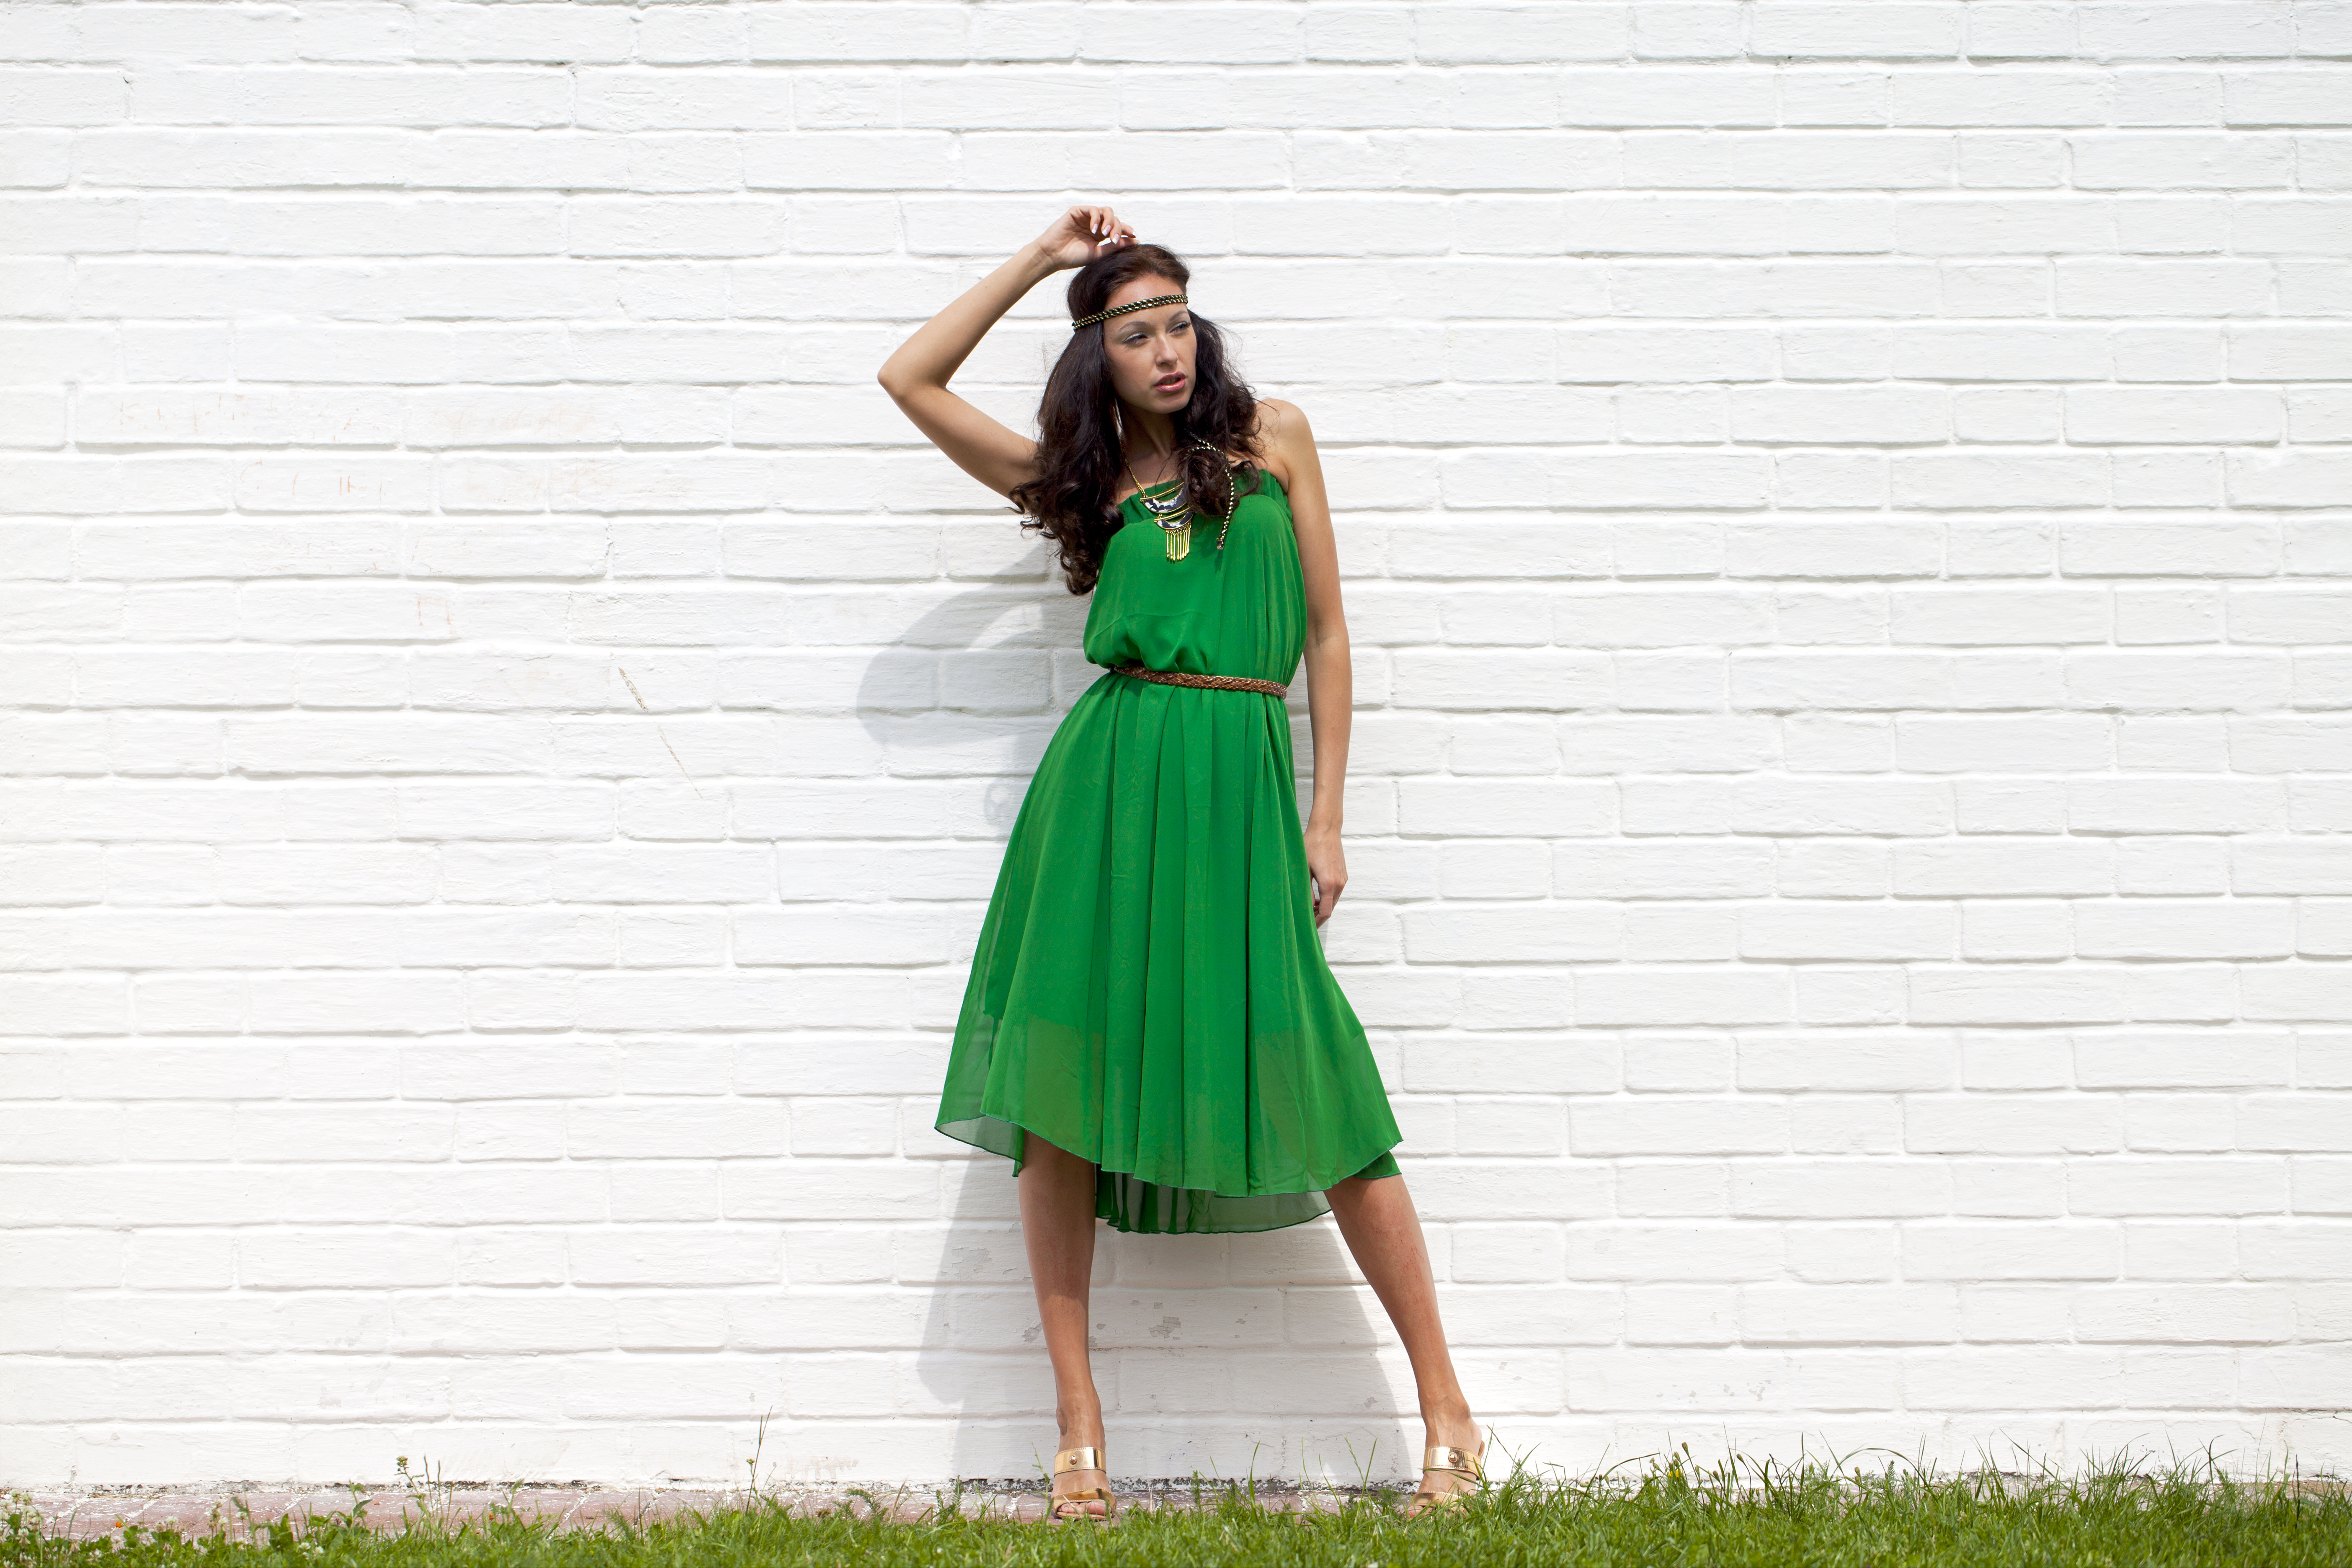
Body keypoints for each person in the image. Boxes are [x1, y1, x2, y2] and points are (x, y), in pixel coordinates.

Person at [877, 205, 1484, 1524]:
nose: (1164, 348)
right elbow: (908, 380)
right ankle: (1079, 1428)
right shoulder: (1085, 482)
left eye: (1176, 322)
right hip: (1108, 792)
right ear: (1097, 354)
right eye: (1133, 330)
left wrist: (1326, 821)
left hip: (1243, 781)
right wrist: (1041, 265)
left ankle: (1448, 1413)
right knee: (1061, 1090)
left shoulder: (1277, 442)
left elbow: (1325, 635)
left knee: (1312, 1070)